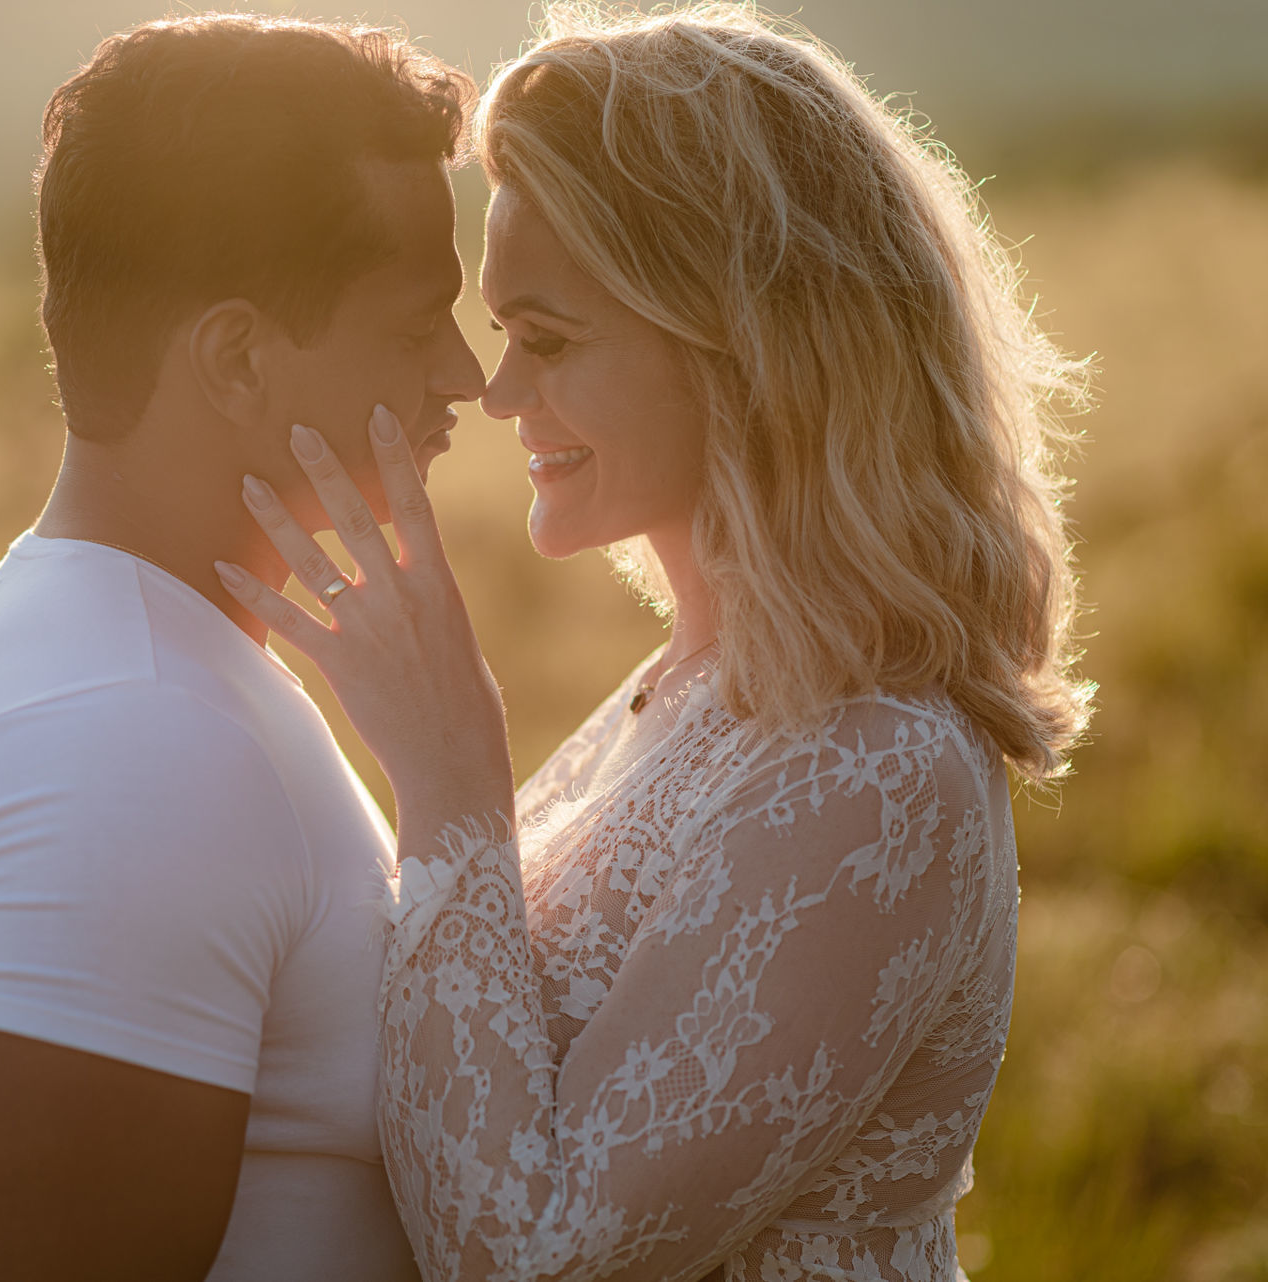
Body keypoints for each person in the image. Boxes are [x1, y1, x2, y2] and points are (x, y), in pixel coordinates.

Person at [215, 5, 1092, 1280]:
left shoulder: (879, 767)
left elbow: (533, 1255)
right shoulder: (681, 690)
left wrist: (453, 777)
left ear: (744, 346)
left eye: (549, 338)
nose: (500, 391)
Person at [0, 15, 484, 1282]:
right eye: (417, 326)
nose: (464, 375)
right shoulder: (131, 741)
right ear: (238, 357)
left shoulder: (141, 666)